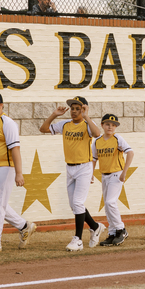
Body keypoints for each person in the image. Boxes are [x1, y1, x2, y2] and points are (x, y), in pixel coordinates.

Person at [40, 96, 105, 251]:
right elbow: (43, 129)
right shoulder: (65, 125)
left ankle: (78, 239)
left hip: (84, 167)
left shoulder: (87, 124)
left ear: (84, 109)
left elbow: (97, 134)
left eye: (79, 108)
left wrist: (87, 116)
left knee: (77, 203)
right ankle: (95, 227)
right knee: (74, 205)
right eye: (73, 108)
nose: (74, 111)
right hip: (70, 167)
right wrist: (55, 114)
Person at [0, 91, 36, 252]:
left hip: (5, 168)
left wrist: (19, 173)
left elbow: (15, 148)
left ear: (1, 105)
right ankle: (24, 226)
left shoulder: (7, 123)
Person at [93, 113, 133, 247]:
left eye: (113, 125)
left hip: (117, 174)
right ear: (102, 125)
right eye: (108, 124)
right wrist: (91, 174)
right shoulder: (97, 141)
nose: (110, 127)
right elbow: (94, 159)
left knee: (110, 202)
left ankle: (121, 229)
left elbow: (130, 152)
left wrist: (124, 172)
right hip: (104, 175)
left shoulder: (117, 139)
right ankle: (112, 233)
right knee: (107, 205)